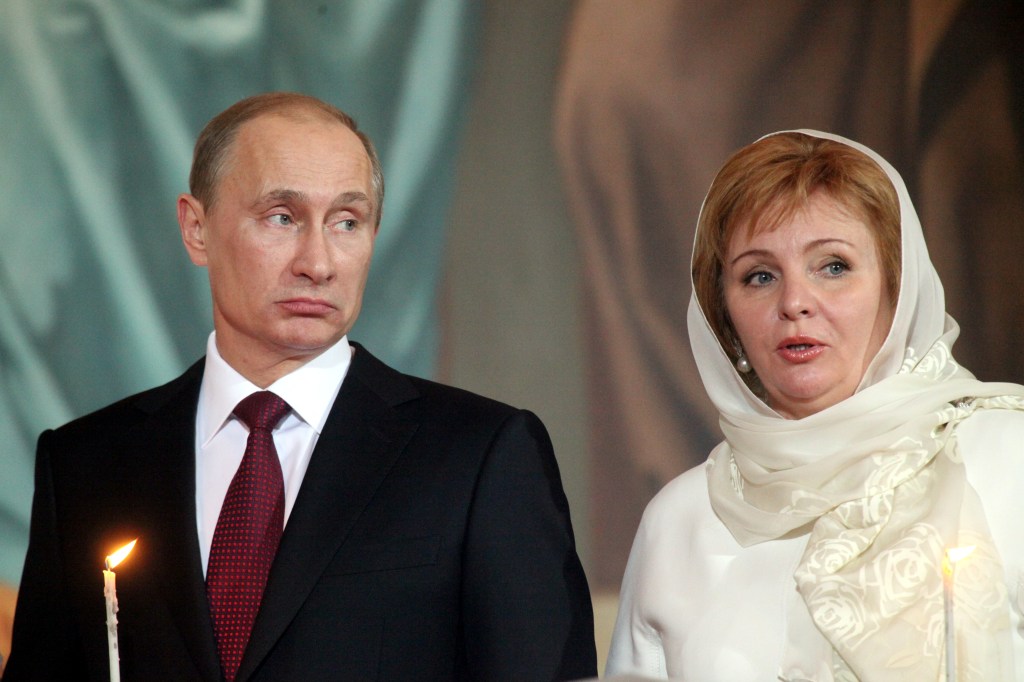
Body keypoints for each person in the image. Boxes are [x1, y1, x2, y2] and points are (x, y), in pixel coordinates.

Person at [4, 92, 597, 681]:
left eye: (347, 221)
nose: (319, 262)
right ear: (196, 228)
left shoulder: (481, 455)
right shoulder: (86, 464)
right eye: (281, 217)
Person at [605, 130, 1024, 681]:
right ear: (723, 317)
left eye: (833, 266)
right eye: (760, 276)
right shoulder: (680, 520)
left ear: (899, 290)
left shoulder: (1008, 456)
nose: (795, 303)